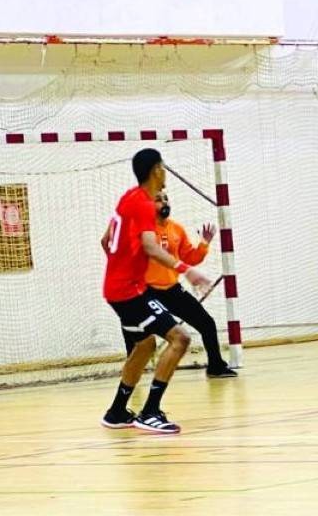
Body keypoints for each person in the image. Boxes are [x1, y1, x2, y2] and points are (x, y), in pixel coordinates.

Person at [98, 148, 211, 434]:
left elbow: (106, 239)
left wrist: (121, 264)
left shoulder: (128, 197)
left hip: (117, 287)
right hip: (130, 290)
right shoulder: (144, 205)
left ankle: (116, 412)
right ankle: (149, 412)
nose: (165, 171)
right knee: (180, 338)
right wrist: (187, 270)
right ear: (156, 170)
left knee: (145, 345)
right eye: (162, 166)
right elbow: (150, 246)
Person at [146, 191, 237, 377]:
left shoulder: (177, 229)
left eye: (166, 198)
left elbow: (190, 258)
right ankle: (134, 373)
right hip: (148, 292)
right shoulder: (144, 231)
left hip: (172, 290)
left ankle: (216, 367)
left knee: (207, 323)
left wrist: (203, 244)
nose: (164, 202)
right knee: (142, 336)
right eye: (158, 199)